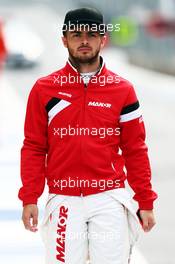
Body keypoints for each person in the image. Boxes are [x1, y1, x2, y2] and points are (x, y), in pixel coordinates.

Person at [18, 7, 158, 264]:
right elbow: (34, 147)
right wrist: (30, 197)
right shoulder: (44, 89)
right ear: (64, 40)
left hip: (109, 198)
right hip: (64, 199)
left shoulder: (122, 90)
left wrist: (145, 200)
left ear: (103, 39)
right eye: (76, 34)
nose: (84, 40)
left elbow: (135, 149)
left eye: (92, 35)